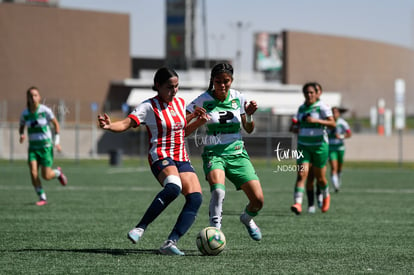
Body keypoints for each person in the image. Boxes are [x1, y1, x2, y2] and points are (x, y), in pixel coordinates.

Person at [98, 67, 203, 256]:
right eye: (169, 87)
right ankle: (140, 228)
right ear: (158, 86)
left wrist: (197, 120)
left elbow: (180, 128)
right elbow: (126, 123)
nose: (174, 91)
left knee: (196, 198)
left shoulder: (180, 103)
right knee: (173, 187)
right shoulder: (148, 106)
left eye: (177, 86)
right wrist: (109, 125)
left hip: (181, 156)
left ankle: (170, 243)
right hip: (161, 155)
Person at [186, 63, 264, 241]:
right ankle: (215, 232)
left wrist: (250, 115)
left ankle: (247, 218)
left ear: (232, 80)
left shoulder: (238, 97)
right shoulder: (202, 99)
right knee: (218, 192)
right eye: (218, 81)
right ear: (212, 81)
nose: (222, 85)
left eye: (226, 81)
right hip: (214, 154)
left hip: (238, 154)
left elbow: (249, 129)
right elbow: (182, 124)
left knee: (258, 201)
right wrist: (194, 118)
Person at [291, 82, 336, 215]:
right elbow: (297, 124)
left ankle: (326, 195)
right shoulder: (301, 108)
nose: (309, 95)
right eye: (306, 92)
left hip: (319, 147)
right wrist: (295, 127)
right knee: (301, 174)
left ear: (317, 94)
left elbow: (333, 124)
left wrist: (317, 121)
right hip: (303, 146)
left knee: (320, 178)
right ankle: (297, 203)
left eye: (311, 92)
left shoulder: (322, 107)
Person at [19, 86, 68, 206]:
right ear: (27, 98)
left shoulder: (45, 110)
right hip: (33, 149)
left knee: (46, 176)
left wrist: (56, 142)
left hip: (45, 147)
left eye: (35, 95)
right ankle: (42, 197)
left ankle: (58, 173)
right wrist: (21, 134)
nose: (33, 98)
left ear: (39, 97)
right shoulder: (25, 113)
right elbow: (21, 126)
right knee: (33, 172)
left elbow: (56, 125)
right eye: (31, 96)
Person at [328, 106, 352, 192]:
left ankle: (338, 177)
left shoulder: (343, 123)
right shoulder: (327, 122)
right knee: (334, 167)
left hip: (340, 147)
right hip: (331, 148)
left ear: (339, 113)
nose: (334, 114)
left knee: (339, 167)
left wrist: (341, 136)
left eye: (336, 112)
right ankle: (336, 185)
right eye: (333, 112)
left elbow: (349, 134)